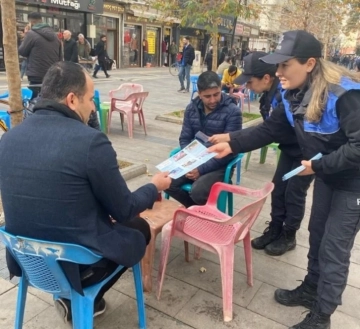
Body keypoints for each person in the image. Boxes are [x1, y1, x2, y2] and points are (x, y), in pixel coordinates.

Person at [209, 30, 360, 329]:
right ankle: (311, 289)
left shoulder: (344, 95)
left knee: (334, 248)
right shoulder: (293, 95)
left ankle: (322, 316)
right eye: (276, 66)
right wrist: (233, 143)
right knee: (317, 236)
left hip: (353, 182)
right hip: (329, 176)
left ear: (309, 63)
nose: (277, 73)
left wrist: (319, 166)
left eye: (283, 65)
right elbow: (270, 129)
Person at [0, 61, 171, 322]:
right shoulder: (90, 141)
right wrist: (154, 186)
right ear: (71, 99)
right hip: (75, 264)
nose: (93, 107)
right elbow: (124, 208)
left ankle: (75, 298)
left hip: (26, 261)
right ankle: (82, 297)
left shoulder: (9, 138)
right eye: (91, 99)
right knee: (139, 228)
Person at [211, 51, 314, 256]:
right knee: (278, 189)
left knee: (294, 194)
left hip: (307, 154)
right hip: (290, 149)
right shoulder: (271, 94)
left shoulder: (283, 94)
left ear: (266, 78)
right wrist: (231, 137)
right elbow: (267, 127)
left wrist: (232, 141)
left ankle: (288, 235)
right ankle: (275, 228)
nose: (246, 87)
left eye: (249, 82)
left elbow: (268, 131)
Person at [166, 71, 241, 207]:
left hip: (220, 163)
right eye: (207, 96)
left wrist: (200, 170)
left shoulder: (232, 111)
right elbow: (185, 138)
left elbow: (229, 150)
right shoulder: (191, 109)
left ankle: (198, 212)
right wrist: (190, 162)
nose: (213, 100)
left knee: (198, 192)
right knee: (165, 181)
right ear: (199, 94)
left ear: (221, 89)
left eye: (216, 94)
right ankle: (194, 210)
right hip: (195, 157)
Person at [18, 12, 62, 98]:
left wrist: (25, 36)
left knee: (35, 100)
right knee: (49, 98)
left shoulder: (31, 34)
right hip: (52, 73)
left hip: (36, 74)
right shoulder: (55, 36)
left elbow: (22, 51)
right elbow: (60, 56)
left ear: (31, 22)